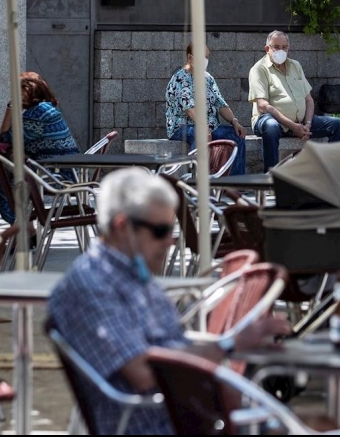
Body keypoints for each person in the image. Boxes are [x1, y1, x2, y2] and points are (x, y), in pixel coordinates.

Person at [48, 168, 290, 435]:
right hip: (159, 423)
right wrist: (229, 345)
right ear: (122, 227)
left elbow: (174, 348)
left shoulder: (135, 277)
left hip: (191, 415)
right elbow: (144, 372)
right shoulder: (94, 283)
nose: (170, 242)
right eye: (161, 231)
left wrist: (234, 346)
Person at [249, 31, 340, 172]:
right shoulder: (259, 69)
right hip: (271, 121)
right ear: (267, 48)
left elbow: (309, 100)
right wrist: (292, 126)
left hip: (301, 122)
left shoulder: (295, 66)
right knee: (271, 127)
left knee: (338, 124)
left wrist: (307, 124)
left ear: (289, 49)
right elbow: (263, 105)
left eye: (284, 47)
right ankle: (270, 177)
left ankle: (329, 173)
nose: (280, 51)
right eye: (276, 47)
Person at [0, 72, 79, 225]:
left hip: (57, 175)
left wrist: (11, 106)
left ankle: (22, 228)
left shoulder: (38, 113)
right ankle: (27, 229)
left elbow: (5, 136)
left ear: (27, 90)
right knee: (16, 162)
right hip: (66, 170)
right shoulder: (45, 108)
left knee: (10, 167)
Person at [166, 43, 247, 175]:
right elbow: (190, 108)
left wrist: (235, 122)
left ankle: (235, 183)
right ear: (190, 58)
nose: (205, 60)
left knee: (236, 135)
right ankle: (199, 180)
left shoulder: (207, 78)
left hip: (210, 126)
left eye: (207, 56)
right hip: (183, 126)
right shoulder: (180, 79)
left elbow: (220, 103)